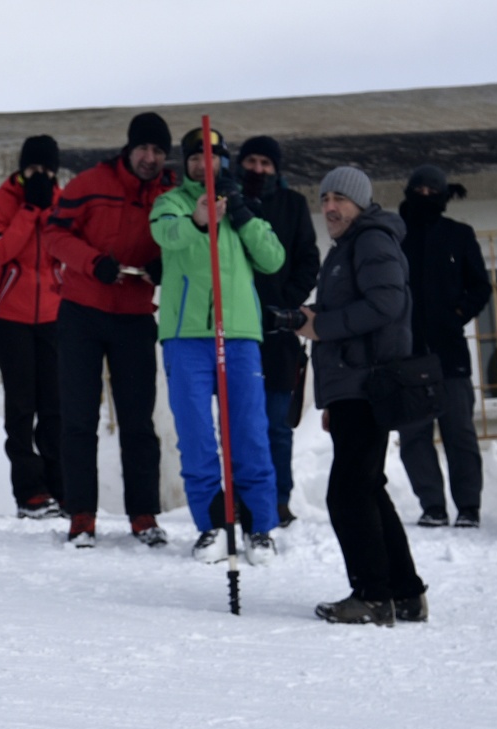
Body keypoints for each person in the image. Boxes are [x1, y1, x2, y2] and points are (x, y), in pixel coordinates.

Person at [286, 167, 428, 625]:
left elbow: (386, 305)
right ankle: (404, 593)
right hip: (353, 387)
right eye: (325, 198)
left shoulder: (371, 240)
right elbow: (356, 307)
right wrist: (312, 316)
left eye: (340, 199)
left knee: (348, 493)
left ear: (361, 203)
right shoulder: (348, 247)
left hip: (369, 383)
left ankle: (372, 596)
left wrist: (321, 326)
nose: (330, 207)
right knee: (367, 488)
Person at [150, 128, 285, 564]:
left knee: (249, 432)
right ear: (186, 164)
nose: (203, 165)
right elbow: (166, 237)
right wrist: (198, 219)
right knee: (195, 436)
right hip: (186, 336)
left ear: (224, 162)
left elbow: (272, 258)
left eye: (212, 157)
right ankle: (212, 525)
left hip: (240, 333)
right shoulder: (171, 203)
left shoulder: (244, 206)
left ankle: (259, 528)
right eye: (195, 157)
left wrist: (241, 213)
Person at [49, 112, 176, 548]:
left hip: (136, 315)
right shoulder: (90, 183)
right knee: (79, 419)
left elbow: (187, 243)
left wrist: (165, 264)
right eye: (143, 148)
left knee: (138, 420)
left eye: (158, 150)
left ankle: (143, 514)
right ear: (129, 148)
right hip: (82, 311)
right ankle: (81, 514)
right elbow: (54, 235)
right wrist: (92, 262)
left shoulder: (170, 192)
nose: (150, 157)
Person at [396, 164, 492, 529]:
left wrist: (456, 315)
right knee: (414, 435)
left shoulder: (459, 235)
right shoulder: (396, 236)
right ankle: (432, 505)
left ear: (444, 195)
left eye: (431, 191)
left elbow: (480, 287)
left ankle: (468, 506)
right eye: (418, 190)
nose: (424, 196)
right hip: (406, 353)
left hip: (449, 353)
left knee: (460, 433)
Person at [238, 136, 322, 527]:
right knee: (240, 424)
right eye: (251, 161)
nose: (257, 169)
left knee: (276, 425)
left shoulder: (293, 205)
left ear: (276, 168)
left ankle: (278, 499)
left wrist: (285, 305)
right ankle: (242, 500)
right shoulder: (227, 205)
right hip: (236, 333)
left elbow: (308, 258)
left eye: (265, 163)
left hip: (278, 336)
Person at [0, 134, 66, 519]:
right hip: (10, 318)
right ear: (22, 167)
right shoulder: (0, 201)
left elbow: (63, 250)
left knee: (55, 405)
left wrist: (47, 208)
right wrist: (30, 209)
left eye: (48, 170)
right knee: (21, 407)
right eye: (35, 168)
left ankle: (59, 488)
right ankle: (29, 493)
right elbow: (3, 250)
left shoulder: (62, 201)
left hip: (53, 317)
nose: (41, 175)